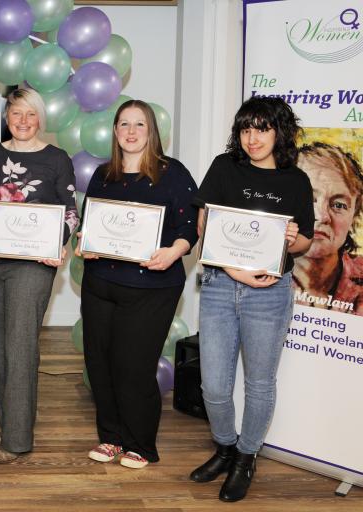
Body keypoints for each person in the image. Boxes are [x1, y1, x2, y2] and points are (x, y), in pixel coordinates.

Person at [190, 96, 314, 502]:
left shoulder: (295, 180)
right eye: (245, 129)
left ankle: (246, 457)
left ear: (279, 131)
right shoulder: (224, 168)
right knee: (214, 385)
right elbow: (204, 223)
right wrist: (233, 269)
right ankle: (224, 447)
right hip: (221, 286)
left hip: (271, 294)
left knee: (260, 383)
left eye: (261, 128)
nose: (252, 138)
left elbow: (305, 240)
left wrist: (295, 242)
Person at [74, 99, 198, 470]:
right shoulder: (103, 174)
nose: (130, 132)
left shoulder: (171, 173)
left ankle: (140, 444)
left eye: (139, 125)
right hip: (101, 284)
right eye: (124, 124)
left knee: (134, 367)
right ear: (114, 132)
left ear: (151, 132)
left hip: (151, 288)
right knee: (100, 364)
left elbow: (189, 228)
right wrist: (85, 244)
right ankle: (110, 437)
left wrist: (174, 252)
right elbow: (87, 225)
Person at [0, 88, 78, 463]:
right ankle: (10, 427)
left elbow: (70, 211)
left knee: (20, 347)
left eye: (30, 115)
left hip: (34, 266)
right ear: (7, 116)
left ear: (40, 118)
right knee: (2, 347)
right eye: (16, 114)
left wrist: (59, 243)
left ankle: (16, 441)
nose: (22, 121)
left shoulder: (56, 158)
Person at [293, 142, 363, 314]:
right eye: (307, 198)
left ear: (354, 215)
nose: (322, 216)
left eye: (338, 205)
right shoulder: (255, 268)